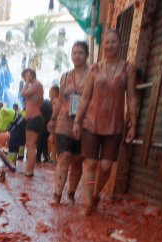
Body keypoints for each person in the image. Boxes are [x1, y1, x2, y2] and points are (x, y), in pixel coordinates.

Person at [73, 29, 137, 216]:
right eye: (106, 42)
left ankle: (95, 193)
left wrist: (133, 123)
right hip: (91, 123)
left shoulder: (128, 69)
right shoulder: (94, 69)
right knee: (90, 165)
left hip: (115, 125)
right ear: (103, 45)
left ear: (120, 43)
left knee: (106, 167)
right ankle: (87, 203)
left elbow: (132, 98)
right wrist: (77, 121)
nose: (109, 45)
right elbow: (85, 97)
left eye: (113, 42)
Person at [49, 41, 89, 205]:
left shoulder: (92, 75)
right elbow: (59, 100)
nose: (77, 56)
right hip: (64, 122)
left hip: (84, 123)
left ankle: (71, 193)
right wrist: (52, 118)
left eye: (80, 53)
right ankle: (57, 194)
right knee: (63, 156)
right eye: (74, 53)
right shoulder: (65, 76)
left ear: (86, 55)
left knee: (77, 160)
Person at [19, 68, 44, 178]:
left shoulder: (37, 85)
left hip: (35, 118)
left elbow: (23, 93)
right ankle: (28, 169)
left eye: (25, 76)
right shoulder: (34, 86)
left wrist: (27, 81)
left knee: (31, 146)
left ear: (31, 75)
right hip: (32, 119)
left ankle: (29, 170)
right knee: (29, 145)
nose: (25, 79)